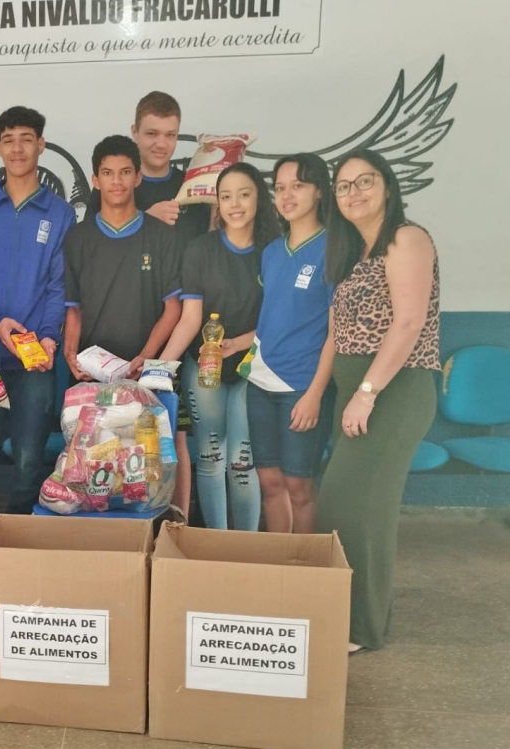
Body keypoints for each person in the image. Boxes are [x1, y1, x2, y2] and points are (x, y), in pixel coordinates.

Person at [316, 149, 441, 653]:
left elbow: (408, 322)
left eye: (363, 182)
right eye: (343, 186)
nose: (354, 193)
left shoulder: (406, 239)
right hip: (356, 392)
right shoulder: (352, 253)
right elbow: (337, 331)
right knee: (350, 509)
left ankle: (361, 628)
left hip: (393, 391)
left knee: (355, 510)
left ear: (387, 186)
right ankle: (351, 617)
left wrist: (366, 394)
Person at [86, 91, 211, 511]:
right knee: (113, 430)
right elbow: (95, 257)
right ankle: (121, 511)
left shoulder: (192, 185)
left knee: (174, 428)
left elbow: (212, 245)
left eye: (171, 135)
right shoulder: (115, 186)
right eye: (152, 133)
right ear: (134, 132)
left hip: (181, 331)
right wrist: (144, 222)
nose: (161, 143)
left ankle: (175, 515)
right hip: (118, 337)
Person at [0, 106, 74, 530]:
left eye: (26, 138)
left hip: (36, 357)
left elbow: (58, 286)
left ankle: (21, 531)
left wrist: (47, 337)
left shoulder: (60, 214)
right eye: (8, 139)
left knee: (29, 455)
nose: (18, 147)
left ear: (41, 145)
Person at [158, 163, 280, 528]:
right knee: (210, 458)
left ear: (259, 197)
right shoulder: (199, 250)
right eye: (226, 196)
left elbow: (280, 321)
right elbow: (190, 319)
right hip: (205, 365)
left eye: (244, 194)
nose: (235, 204)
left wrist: (240, 343)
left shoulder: (274, 252)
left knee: (242, 463)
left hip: (253, 366)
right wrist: (159, 367)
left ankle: (243, 547)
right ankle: (214, 543)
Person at [239, 154, 336, 534]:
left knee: (300, 485)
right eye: (280, 188)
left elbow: (334, 333)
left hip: (301, 385)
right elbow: (273, 319)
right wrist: (236, 346)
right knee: (270, 481)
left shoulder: (334, 249)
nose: (287, 195)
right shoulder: (272, 252)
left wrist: (315, 394)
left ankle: (303, 570)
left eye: (298, 186)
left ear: (318, 192)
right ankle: (278, 564)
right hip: (260, 382)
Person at [64, 135, 181, 396]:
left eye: (125, 172)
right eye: (107, 173)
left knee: (146, 438)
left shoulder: (162, 235)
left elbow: (172, 309)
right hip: (91, 376)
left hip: (146, 375)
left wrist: (145, 357)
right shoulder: (77, 238)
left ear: (138, 177)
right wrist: (70, 354)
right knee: (92, 439)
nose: (116, 181)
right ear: (96, 180)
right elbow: (73, 310)